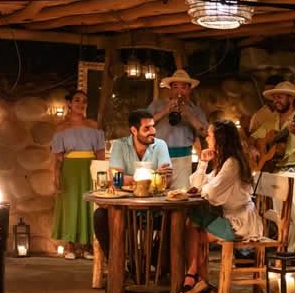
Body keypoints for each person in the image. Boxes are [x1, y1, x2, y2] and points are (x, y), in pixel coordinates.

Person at [181, 120, 263, 293]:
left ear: (220, 139)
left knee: (193, 232)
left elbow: (210, 193)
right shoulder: (223, 161)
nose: (207, 139)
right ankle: (199, 280)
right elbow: (196, 184)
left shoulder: (232, 164)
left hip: (238, 223)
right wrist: (203, 163)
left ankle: (195, 277)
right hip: (227, 216)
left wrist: (202, 188)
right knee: (192, 220)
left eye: (209, 136)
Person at [93, 109, 171, 258]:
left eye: (153, 126)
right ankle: (116, 262)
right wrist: (150, 176)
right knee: (100, 216)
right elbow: (116, 178)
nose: (153, 131)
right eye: (147, 128)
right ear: (134, 130)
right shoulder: (119, 145)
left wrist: (129, 178)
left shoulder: (161, 145)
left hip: (153, 208)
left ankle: (159, 263)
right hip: (125, 209)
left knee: (175, 218)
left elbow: (166, 180)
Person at [251, 81, 295, 259]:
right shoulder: (272, 121)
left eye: (280, 96)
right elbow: (253, 138)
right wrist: (254, 148)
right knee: (283, 219)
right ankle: (290, 254)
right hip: (277, 172)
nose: (276, 100)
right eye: (274, 97)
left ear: (291, 99)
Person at [50, 90, 105, 260]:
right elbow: (57, 156)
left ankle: (88, 246)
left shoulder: (93, 126)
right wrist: (56, 174)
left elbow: (100, 153)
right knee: (71, 204)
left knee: (89, 204)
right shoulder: (61, 128)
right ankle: (70, 245)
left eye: (84, 101)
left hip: (90, 167)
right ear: (69, 104)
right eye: (77, 100)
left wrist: (101, 172)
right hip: (70, 169)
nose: (81, 104)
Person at [148, 69, 208, 190]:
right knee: (157, 193)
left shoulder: (195, 110)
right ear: (170, 89)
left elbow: (205, 132)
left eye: (183, 87)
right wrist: (165, 111)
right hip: (158, 157)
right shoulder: (157, 105)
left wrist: (188, 115)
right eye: (175, 87)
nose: (179, 91)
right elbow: (143, 125)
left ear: (189, 90)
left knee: (180, 195)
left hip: (183, 159)